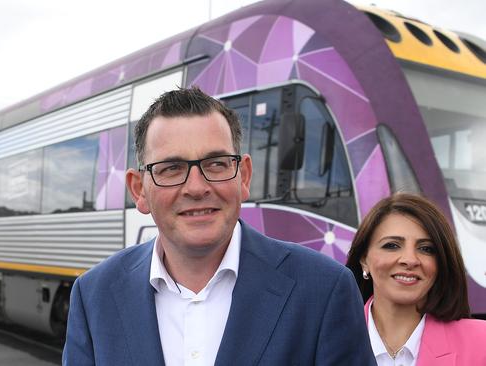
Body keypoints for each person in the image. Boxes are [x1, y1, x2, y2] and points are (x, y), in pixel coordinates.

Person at [62, 87, 375, 365]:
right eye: (171, 168)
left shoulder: (324, 290)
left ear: (244, 177)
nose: (197, 187)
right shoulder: (94, 296)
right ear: (139, 190)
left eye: (216, 164)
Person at [346, 193, 486, 365]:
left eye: (426, 249)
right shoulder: (328, 337)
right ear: (364, 259)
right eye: (392, 245)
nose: (410, 260)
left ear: (441, 263)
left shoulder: (481, 342)